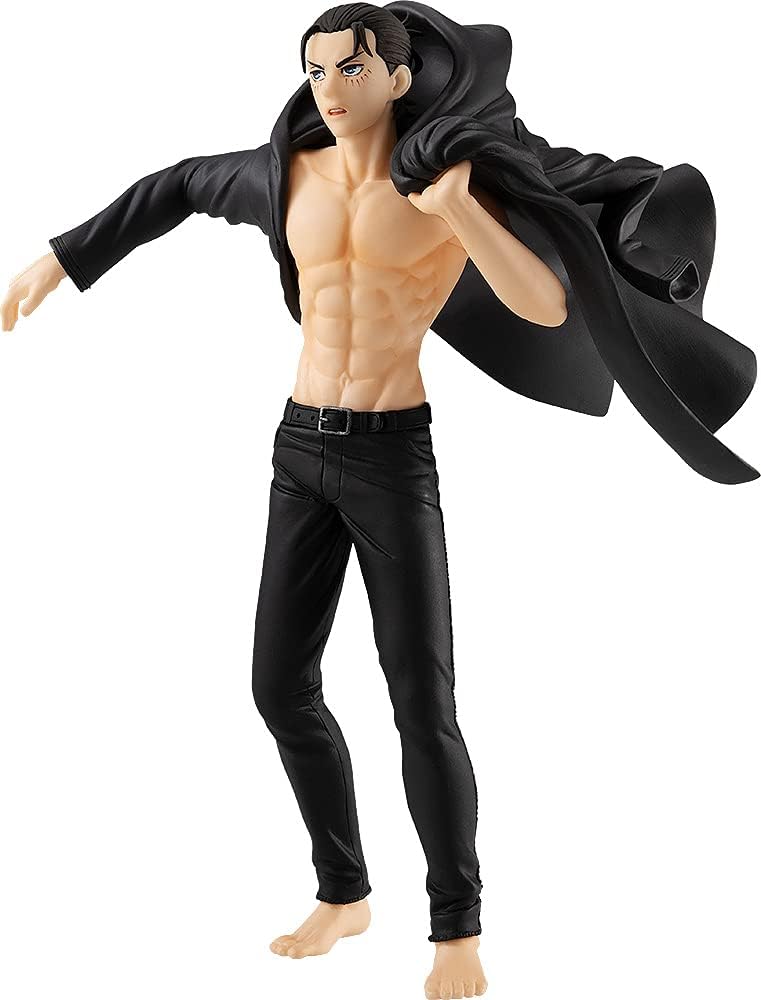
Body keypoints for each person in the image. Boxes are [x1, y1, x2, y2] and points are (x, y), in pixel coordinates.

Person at [2, 4, 756, 999]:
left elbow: (544, 304)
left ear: (398, 78)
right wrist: (62, 259)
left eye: (350, 69)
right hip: (297, 452)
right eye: (315, 69)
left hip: (391, 460)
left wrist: (459, 210)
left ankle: (456, 928)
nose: (329, 88)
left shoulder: (445, 185)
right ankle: (343, 891)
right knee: (278, 686)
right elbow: (176, 185)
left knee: (420, 702)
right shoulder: (285, 176)